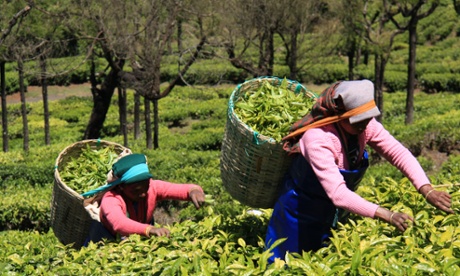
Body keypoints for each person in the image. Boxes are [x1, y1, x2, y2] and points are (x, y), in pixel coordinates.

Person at [264, 79, 454, 263]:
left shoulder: (365, 126)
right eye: (358, 121)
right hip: (298, 215)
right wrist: (387, 214)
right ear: (340, 116)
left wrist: (426, 188)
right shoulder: (317, 139)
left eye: (368, 118)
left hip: (332, 212)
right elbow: (338, 193)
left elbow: (397, 153)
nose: (364, 125)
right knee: (287, 264)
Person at [84, 153, 206, 244]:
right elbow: (119, 224)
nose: (143, 194)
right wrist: (149, 229)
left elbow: (181, 189)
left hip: (138, 237)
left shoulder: (152, 187)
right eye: (135, 190)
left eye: (145, 187)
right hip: (106, 242)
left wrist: (194, 191)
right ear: (121, 187)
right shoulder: (111, 198)